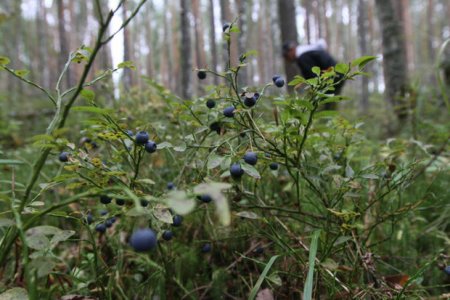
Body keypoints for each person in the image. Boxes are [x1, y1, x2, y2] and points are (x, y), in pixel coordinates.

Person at [282, 39, 344, 109]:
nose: (287, 59)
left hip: (333, 77)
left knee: (326, 104)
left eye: (286, 56)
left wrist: (313, 91)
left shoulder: (302, 57)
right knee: (330, 103)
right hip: (337, 74)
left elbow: (312, 77)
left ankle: (328, 117)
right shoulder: (306, 52)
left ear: (292, 50)